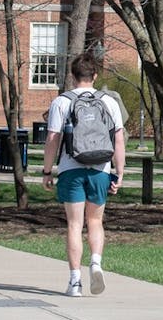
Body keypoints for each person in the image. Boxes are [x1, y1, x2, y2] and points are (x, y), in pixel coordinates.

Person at [42, 53, 126, 297]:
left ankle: (75, 281)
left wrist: (47, 171)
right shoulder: (109, 102)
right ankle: (96, 263)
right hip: (100, 168)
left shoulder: (62, 102)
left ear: (72, 75)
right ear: (95, 76)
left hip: (71, 169)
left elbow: (52, 140)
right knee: (96, 221)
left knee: (74, 224)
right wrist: (119, 173)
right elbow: (118, 139)